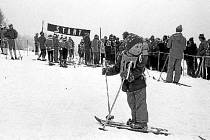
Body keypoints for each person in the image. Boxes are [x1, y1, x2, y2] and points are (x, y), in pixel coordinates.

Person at [102, 33, 148, 129]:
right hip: (128, 86)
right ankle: (135, 119)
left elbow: (140, 70)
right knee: (132, 103)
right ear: (129, 47)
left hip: (138, 84)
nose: (139, 49)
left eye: (140, 46)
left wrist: (131, 75)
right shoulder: (122, 56)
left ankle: (142, 122)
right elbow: (117, 68)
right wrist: (108, 71)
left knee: (140, 104)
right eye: (136, 47)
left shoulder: (140, 58)